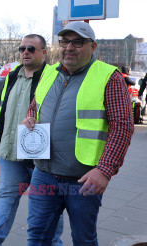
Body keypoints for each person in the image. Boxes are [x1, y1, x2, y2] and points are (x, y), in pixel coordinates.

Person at [21, 21, 134, 245]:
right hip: (44, 172)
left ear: (93, 47)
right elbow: (36, 105)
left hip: (83, 179)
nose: (69, 47)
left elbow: (122, 126)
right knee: (37, 235)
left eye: (78, 42)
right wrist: (30, 117)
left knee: (83, 238)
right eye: (64, 41)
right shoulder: (50, 72)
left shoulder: (108, 77)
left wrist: (104, 170)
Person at [0, 34, 63, 246]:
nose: (25, 52)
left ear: (44, 53)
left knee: (47, 203)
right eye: (22, 48)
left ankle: (54, 243)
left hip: (40, 155)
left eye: (31, 49)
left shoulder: (53, 76)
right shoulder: (13, 75)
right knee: (6, 197)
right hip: (10, 151)